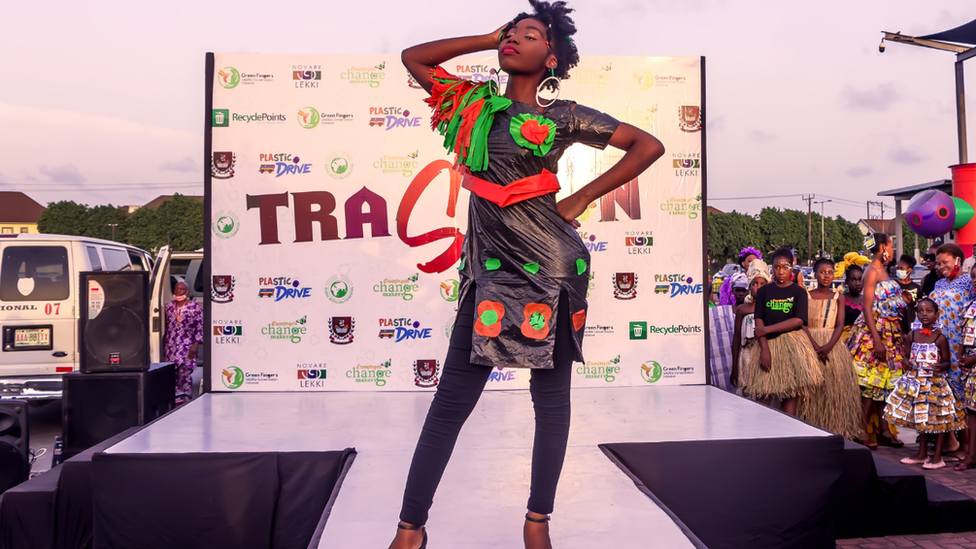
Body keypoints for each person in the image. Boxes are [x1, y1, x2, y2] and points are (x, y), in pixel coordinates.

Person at [392, 2, 666, 547]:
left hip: (553, 270)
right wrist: (488, 36)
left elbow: (649, 145)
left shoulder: (562, 116)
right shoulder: (472, 107)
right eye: (511, 32)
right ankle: (410, 528)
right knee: (450, 403)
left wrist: (583, 196)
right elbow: (414, 58)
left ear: (553, 57)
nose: (515, 38)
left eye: (530, 34)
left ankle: (537, 522)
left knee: (551, 401)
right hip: (489, 274)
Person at [739, 248, 823, 415]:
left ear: (792, 267)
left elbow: (798, 320)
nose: (781, 271)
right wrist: (764, 348)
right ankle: (761, 433)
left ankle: (788, 435)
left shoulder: (799, 292)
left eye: (785, 267)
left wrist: (767, 330)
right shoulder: (764, 291)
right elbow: (759, 318)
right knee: (764, 393)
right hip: (767, 346)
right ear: (772, 268)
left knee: (789, 393)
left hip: (792, 346)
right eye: (777, 267)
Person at [884, 298, 966, 469]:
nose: (924, 314)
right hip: (917, 383)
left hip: (935, 384)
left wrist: (940, 366)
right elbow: (906, 356)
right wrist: (906, 361)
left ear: (936, 315)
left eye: (929, 311)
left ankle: (937, 457)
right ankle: (922, 454)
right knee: (919, 417)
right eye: (921, 311)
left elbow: (946, 362)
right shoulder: (912, 336)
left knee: (939, 418)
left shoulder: (940, 338)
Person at [846, 233, 907, 449]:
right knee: (869, 385)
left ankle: (883, 429)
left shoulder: (885, 269)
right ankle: (859, 429)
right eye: (891, 245)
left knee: (885, 384)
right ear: (883, 246)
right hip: (874, 334)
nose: (892, 249)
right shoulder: (871, 272)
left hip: (891, 332)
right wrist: (877, 341)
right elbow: (867, 308)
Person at [798, 258, 862, 439]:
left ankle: (834, 426)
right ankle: (810, 425)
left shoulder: (838, 296)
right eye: (822, 272)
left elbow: (840, 324)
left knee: (833, 389)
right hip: (808, 342)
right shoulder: (806, 295)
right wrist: (815, 345)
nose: (826, 276)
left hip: (832, 344)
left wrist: (827, 347)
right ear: (815, 274)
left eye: (830, 272)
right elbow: (802, 322)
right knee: (810, 390)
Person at [930, 243, 976, 459]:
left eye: (944, 262)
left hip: (961, 350)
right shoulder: (938, 284)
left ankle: (967, 447)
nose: (940, 266)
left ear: (958, 260)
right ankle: (950, 441)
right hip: (940, 348)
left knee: (962, 397)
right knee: (944, 394)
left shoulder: (969, 281)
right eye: (938, 263)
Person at [730, 259, 770, 390]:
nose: (758, 287)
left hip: (766, 356)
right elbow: (736, 339)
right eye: (755, 284)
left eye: (762, 284)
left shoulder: (771, 308)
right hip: (746, 357)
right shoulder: (743, 309)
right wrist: (735, 367)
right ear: (749, 286)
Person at [163, 281, 202, 405]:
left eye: (181, 289)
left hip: (188, 346)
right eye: (176, 288)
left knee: (184, 374)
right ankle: (174, 401)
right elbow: (166, 328)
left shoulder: (194, 307)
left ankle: (186, 401)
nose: (178, 291)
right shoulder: (169, 306)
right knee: (172, 375)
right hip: (171, 346)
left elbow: (200, 327)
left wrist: (195, 346)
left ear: (187, 292)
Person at [955, 264, 976, 470]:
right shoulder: (970, 305)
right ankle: (971, 455)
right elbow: (964, 333)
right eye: (973, 277)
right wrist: (961, 353)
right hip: (970, 370)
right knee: (971, 411)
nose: (975, 280)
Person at [895, 254, 921, 335]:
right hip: (896, 327)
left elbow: (919, 309)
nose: (899, 270)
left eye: (902, 269)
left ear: (910, 270)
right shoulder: (892, 285)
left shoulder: (917, 287)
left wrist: (911, 302)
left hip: (912, 327)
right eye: (898, 268)